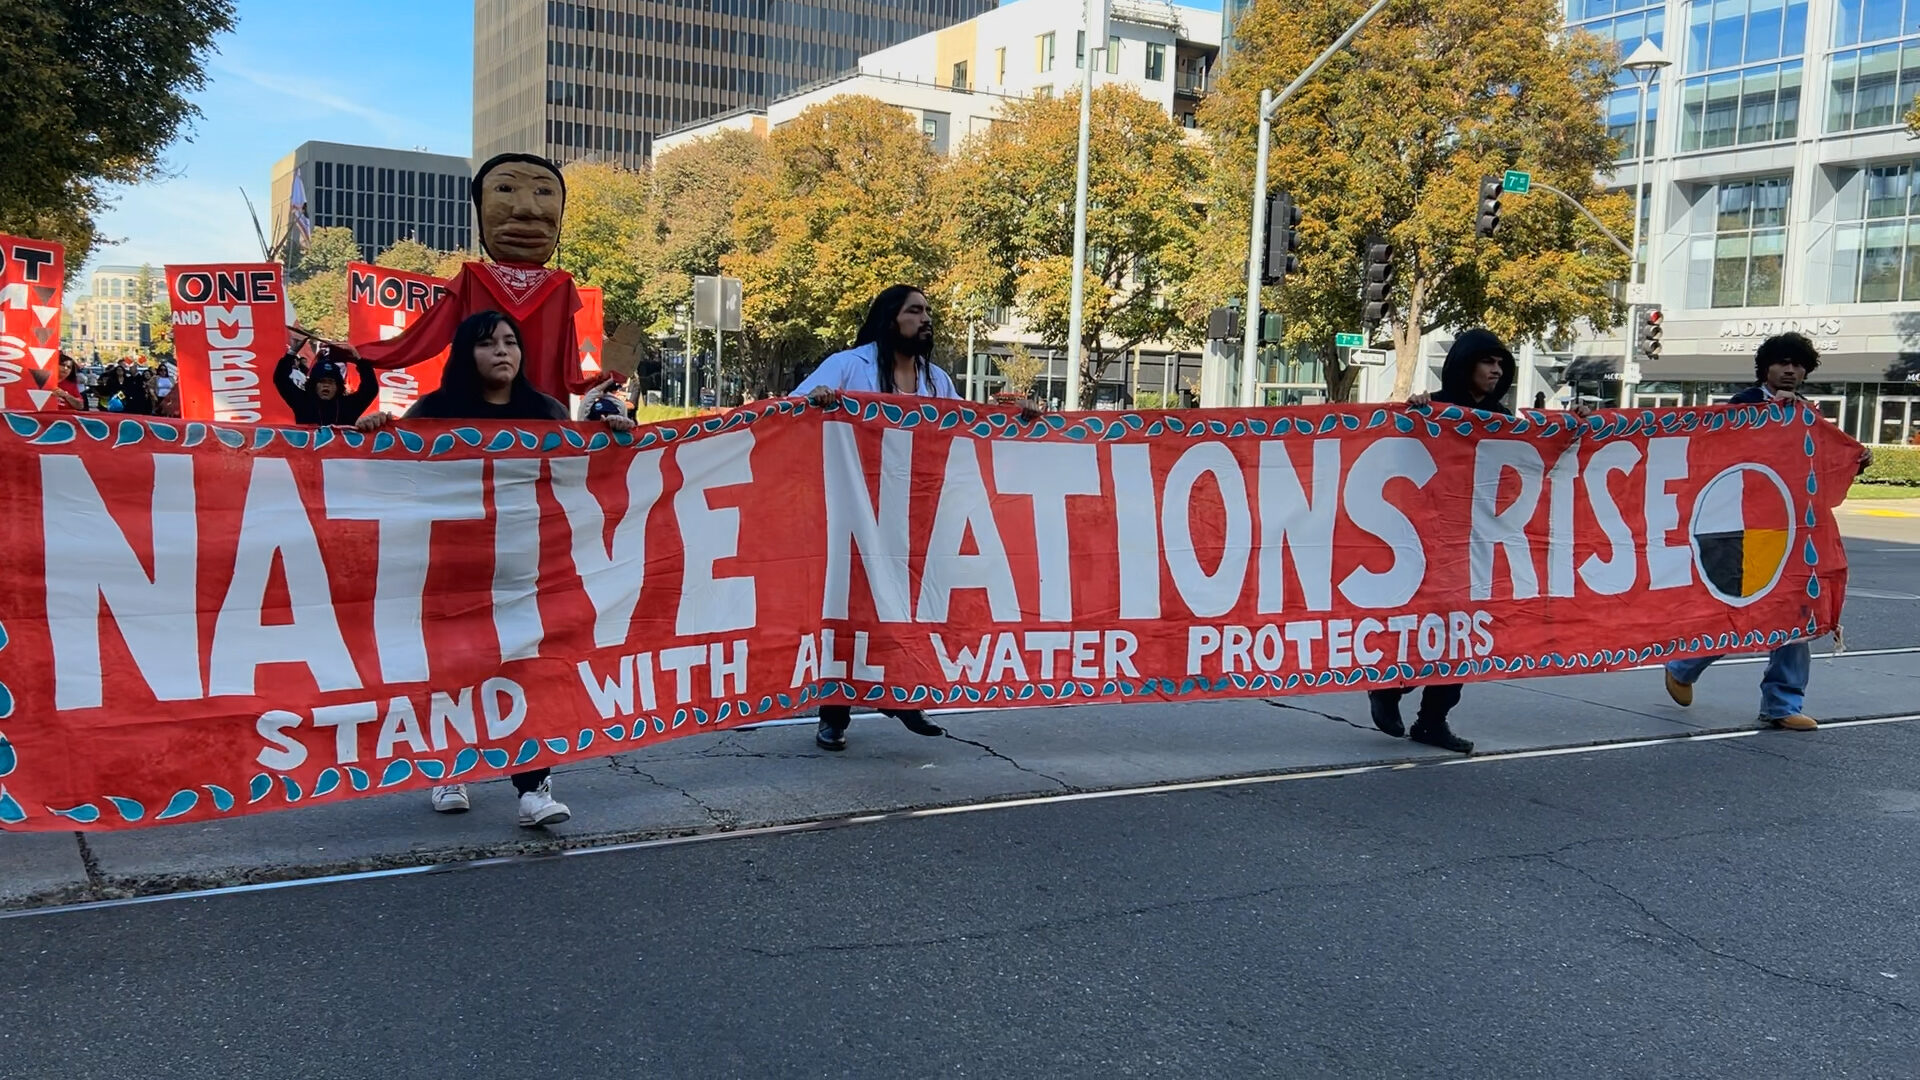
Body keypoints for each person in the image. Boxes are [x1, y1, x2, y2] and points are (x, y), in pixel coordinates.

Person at [359, 309, 633, 826]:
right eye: (488, 344)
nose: (503, 351)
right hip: (451, 569)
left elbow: (581, 472)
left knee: (530, 674)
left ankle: (533, 788)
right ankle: (448, 770)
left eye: (511, 341)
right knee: (453, 671)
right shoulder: (432, 413)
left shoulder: (545, 411)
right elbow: (390, 478)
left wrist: (608, 432)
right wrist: (375, 431)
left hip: (526, 570)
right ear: (467, 354)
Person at [790, 284, 1024, 752]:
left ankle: (901, 693)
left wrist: (1014, 415)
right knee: (849, 608)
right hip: (856, 511)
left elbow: (965, 429)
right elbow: (790, 411)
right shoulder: (846, 366)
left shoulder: (936, 380)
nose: (925, 319)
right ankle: (834, 714)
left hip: (917, 514)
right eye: (914, 311)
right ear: (889, 318)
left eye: (928, 312)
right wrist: (813, 402)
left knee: (911, 604)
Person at [1661, 332, 1873, 731]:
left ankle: (1782, 704)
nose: (1790, 370)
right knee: (1741, 611)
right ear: (1766, 368)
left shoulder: (1807, 414)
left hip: (1794, 532)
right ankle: (1684, 665)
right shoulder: (1742, 407)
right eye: (1782, 362)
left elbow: (1817, 471)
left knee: (1796, 616)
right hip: (1739, 530)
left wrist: (1855, 459)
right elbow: (1712, 454)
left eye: (1798, 364)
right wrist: (1772, 415)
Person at [1369, 328, 1533, 755]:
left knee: (1463, 635)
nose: (1497, 370)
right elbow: (1394, 454)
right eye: (1487, 362)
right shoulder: (1433, 409)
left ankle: (1432, 721)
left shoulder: (1504, 420)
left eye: (1501, 363)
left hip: (1479, 543)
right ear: (1466, 364)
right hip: (1431, 540)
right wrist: (1415, 414)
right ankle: (1391, 687)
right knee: (1429, 625)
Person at [357, 153, 598, 403]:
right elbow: (424, 339)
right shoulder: (475, 279)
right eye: (505, 188)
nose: (526, 209)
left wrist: (604, 378)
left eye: (544, 192)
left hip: (528, 417)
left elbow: (571, 370)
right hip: (521, 418)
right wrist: (363, 353)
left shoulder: (558, 285)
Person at [273, 338, 378, 425]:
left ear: (338, 386)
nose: (326, 385)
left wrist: (358, 358)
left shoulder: (348, 405)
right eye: (322, 381)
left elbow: (370, 389)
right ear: (314, 384)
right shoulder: (302, 402)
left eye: (331, 382)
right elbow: (280, 379)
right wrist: (292, 352)